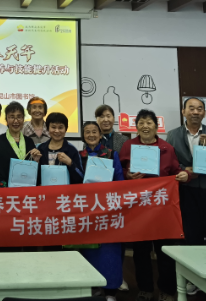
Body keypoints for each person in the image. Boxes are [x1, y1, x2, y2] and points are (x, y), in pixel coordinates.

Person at [119, 110, 189, 301]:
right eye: (141, 123)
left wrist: (184, 175)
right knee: (140, 251)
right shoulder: (128, 145)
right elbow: (120, 169)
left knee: (164, 250)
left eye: (149, 123)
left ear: (156, 127)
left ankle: (167, 290)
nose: (145, 126)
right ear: (136, 127)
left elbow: (175, 171)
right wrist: (127, 175)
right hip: (138, 207)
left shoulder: (167, 147)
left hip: (161, 207)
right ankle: (145, 289)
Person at [166, 97, 206, 249]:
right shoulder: (173, 135)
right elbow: (169, 162)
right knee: (192, 236)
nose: (195, 112)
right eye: (191, 108)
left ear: (204, 113)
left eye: (199, 109)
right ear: (183, 111)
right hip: (187, 191)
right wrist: (184, 169)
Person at [78, 121, 124, 301]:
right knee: (88, 251)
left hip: (108, 210)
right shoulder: (78, 156)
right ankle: (92, 287)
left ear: (100, 134)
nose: (91, 135)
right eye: (87, 132)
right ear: (83, 136)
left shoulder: (111, 154)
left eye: (94, 132)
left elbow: (120, 181)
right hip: (86, 211)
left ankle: (111, 291)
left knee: (109, 252)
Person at [0, 101, 42, 187]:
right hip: (5, 191)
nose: (16, 121)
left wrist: (36, 161)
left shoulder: (29, 141)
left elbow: (34, 171)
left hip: (26, 189)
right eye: (12, 117)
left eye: (19, 117)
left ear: (23, 119)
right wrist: (6, 187)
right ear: (7, 120)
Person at [37, 112, 83, 184]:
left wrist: (70, 163)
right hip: (44, 190)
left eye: (60, 127)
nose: (57, 131)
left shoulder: (72, 150)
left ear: (66, 129)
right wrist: (35, 162)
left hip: (65, 191)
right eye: (53, 127)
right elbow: (34, 178)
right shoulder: (40, 148)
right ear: (47, 128)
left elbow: (80, 178)